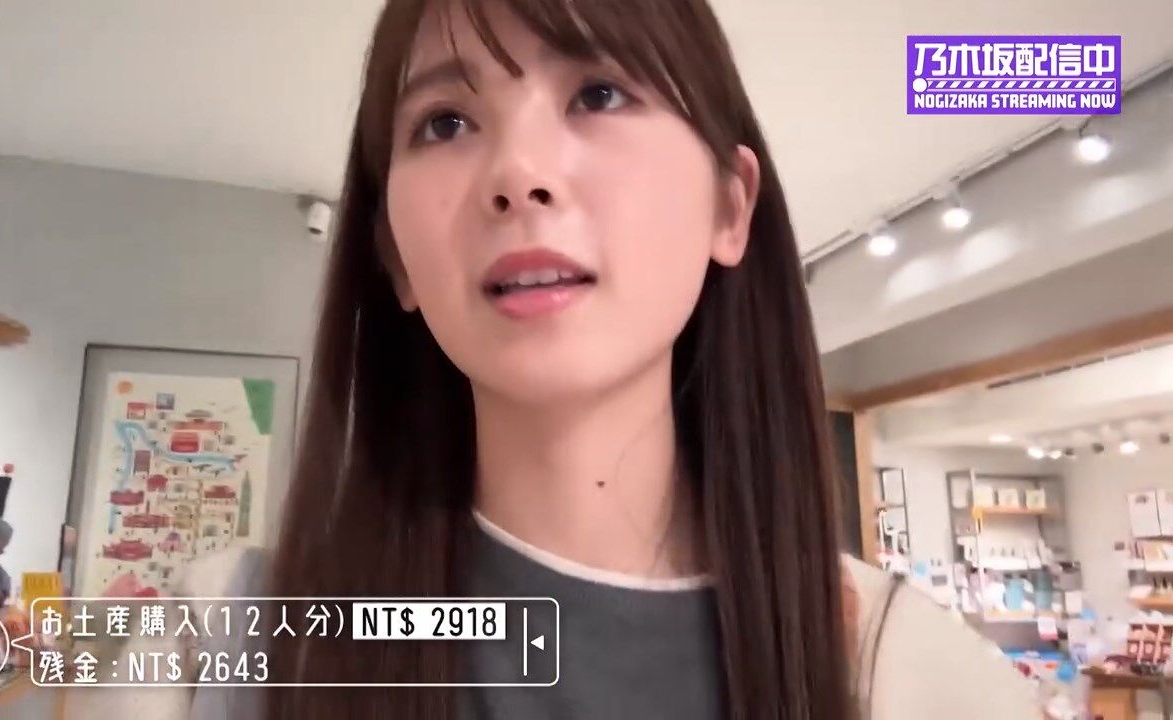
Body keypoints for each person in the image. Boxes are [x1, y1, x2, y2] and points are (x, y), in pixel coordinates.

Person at [77, 0, 1042, 718]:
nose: (518, 174)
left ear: (730, 205)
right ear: (394, 258)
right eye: (445, 123)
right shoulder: (209, 650)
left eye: (599, 93)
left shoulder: (909, 676)